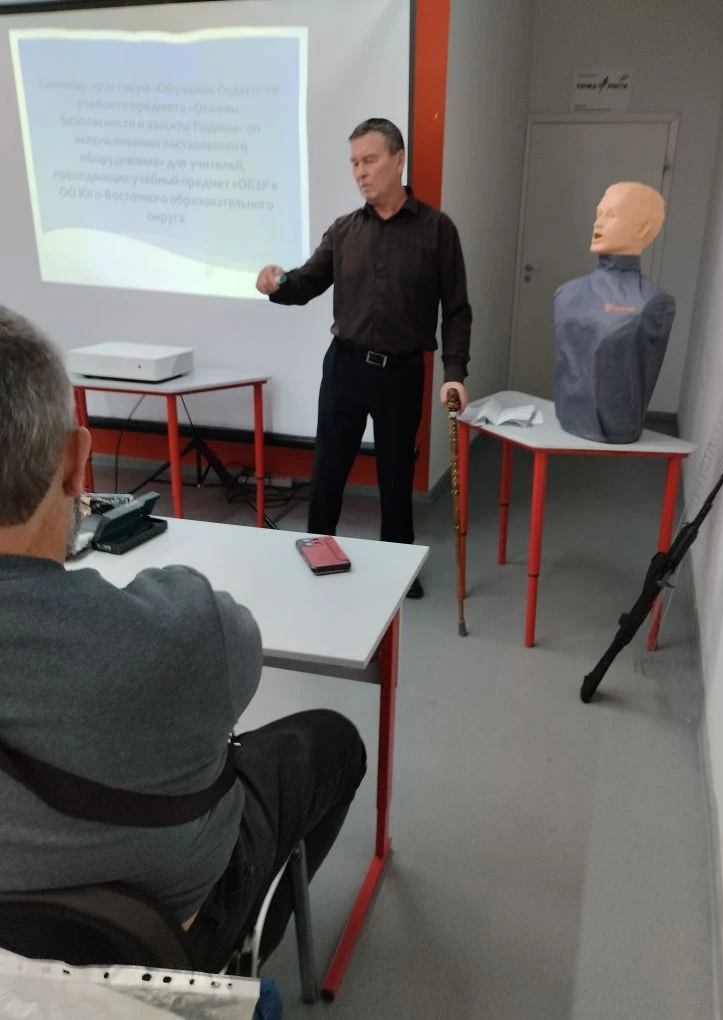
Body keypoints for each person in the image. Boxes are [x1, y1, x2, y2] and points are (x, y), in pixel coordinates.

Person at [0, 305, 366, 972]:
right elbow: (241, 649)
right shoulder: (182, 628)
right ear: (75, 462)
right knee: (334, 742)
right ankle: (241, 967)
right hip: (161, 935)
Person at [257, 118, 472, 599]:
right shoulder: (344, 231)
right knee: (328, 470)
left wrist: (455, 372)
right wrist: (277, 283)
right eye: (354, 163)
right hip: (346, 367)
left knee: (397, 474)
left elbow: (456, 310)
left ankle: (398, 566)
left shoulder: (437, 231)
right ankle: (317, 554)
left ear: (399, 160)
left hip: (402, 373)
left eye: (369, 160)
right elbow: (305, 283)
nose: (360, 172)